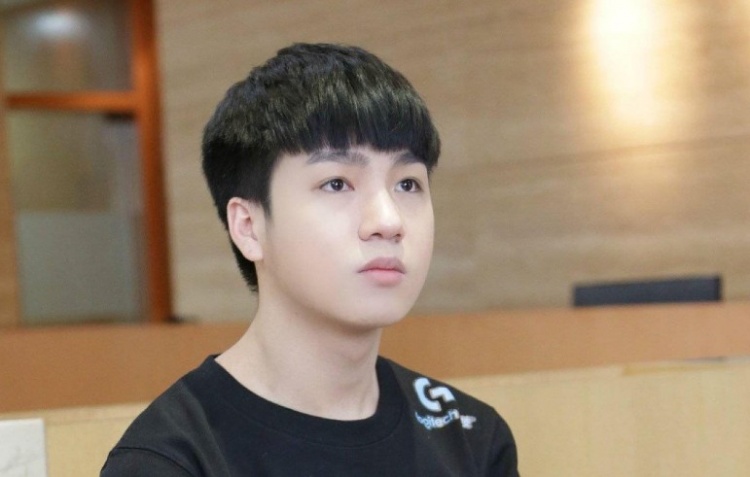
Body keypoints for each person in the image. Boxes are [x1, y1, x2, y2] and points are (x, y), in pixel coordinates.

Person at [101, 43, 519, 476]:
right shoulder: (172, 459)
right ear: (249, 227)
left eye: (408, 184)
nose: (388, 221)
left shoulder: (471, 438)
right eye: (337, 183)